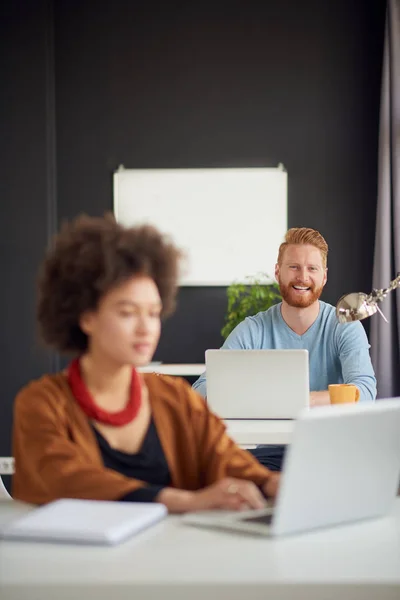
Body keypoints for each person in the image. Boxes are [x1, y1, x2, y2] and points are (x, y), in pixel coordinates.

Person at [12, 214, 279, 512]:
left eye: (153, 313)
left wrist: (270, 483)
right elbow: (63, 479)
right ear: (86, 317)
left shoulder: (175, 398)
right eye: (128, 312)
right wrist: (181, 501)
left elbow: (224, 456)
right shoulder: (40, 404)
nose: (146, 328)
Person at [193, 227, 377, 470]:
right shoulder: (253, 330)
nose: (303, 277)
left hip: (334, 449)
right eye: (293, 267)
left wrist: (295, 401)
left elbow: (364, 393)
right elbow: (200, 391)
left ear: (324, 276)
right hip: (273, 455)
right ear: (278, 271)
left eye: (312, 268)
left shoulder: (344, 326)